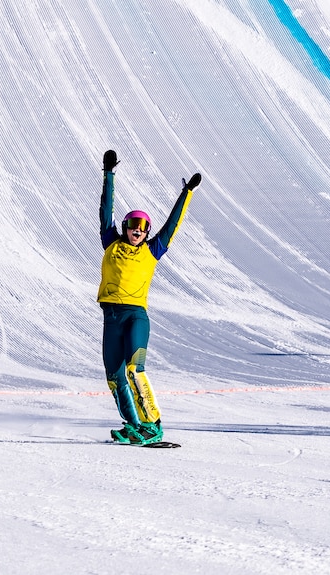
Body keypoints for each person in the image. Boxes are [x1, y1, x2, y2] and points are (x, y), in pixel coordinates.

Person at [98, 149, 201, 445]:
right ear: (126, 228)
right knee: (114, 376)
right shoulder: (110, 243)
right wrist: (109, 174)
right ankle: (133, 424)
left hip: (135, 317)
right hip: (111, 318)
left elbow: (173, 224)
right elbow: (106, 211)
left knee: (134, 368)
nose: (137, 232)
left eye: (143, 228)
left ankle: (153, 423)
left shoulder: (152, 250)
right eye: (133, 226)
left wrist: (187, 192)